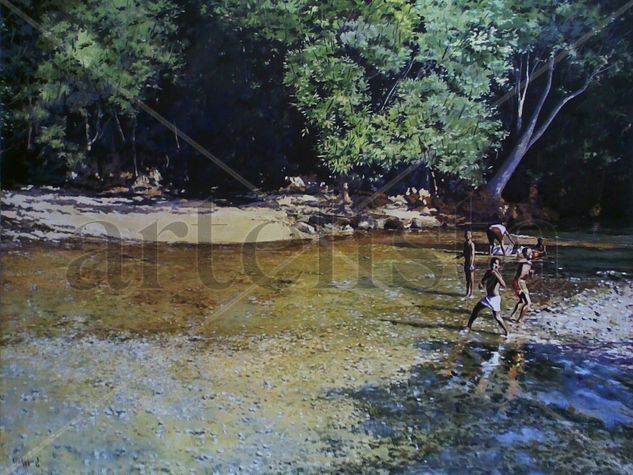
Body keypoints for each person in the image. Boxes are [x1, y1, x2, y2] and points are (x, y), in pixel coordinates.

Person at [466, 257, 509, 336]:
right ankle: (468, 327)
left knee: (497, 317)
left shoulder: (497, 274)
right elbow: (483, 280)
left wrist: (496, 274)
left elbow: (503, 285)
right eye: (492, 262)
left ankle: (507, 332)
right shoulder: (488, 272)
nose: (493, 264)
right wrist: (481, 284)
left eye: (496, 263)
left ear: (499, 266)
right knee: (476, 309)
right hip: (488, 297)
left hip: (495, 299)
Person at [510, 248, 534, 322]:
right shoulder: (525, 262)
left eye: (531, 253)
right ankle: (519, 320)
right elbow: (522, 274)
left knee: (522, 301)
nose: (531, 254)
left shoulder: (528, 263)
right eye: (529, 253)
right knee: (528, 303)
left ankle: (513, 315)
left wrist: (531, 273)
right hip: (519, 282)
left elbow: (529, 277)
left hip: (520, 282)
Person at [459, 230, 476, 298]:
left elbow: (472, 254)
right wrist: (460, 256)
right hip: (466, 262)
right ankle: (467, 292)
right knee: (467, 279)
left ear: (471, 236)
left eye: (468, 234)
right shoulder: (465, 243)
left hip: (471, 263)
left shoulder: (472, 244)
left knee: (471, 279)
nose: (467, 236)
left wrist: (471, 264)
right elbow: (465, 252)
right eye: (466, 234)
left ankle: (471, 293)